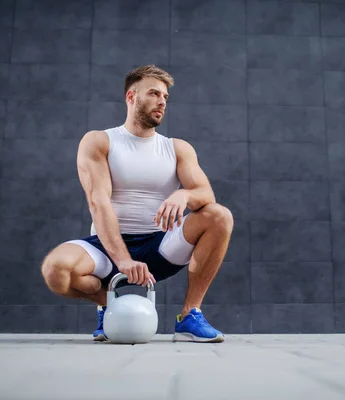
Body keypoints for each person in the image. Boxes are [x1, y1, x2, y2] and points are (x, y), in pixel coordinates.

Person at [40, 65, 233, 343]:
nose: (162, 101)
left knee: (219, 216)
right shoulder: (99, 141)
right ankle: (109, 306)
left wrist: (183, 196)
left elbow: (205, 194)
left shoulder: (177, 148)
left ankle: (190, 314)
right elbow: (99, 204)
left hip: (160, 246)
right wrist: (123, 260)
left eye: (165, 96)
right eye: (154, 93)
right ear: (131, 97)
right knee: (55, 271)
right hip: (106, 250)